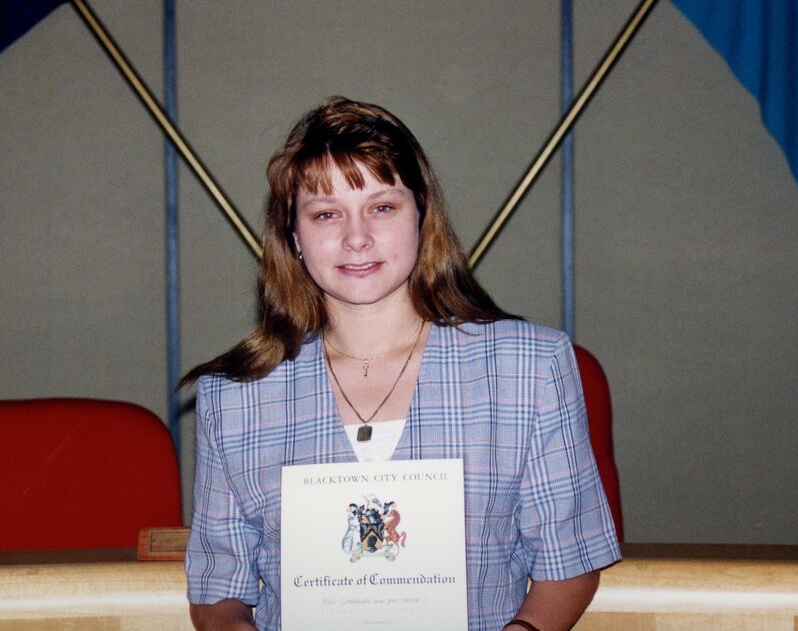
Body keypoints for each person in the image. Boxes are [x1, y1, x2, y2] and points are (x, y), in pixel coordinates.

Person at [183, 96, 621, 631]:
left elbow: (569, 561)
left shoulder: (529, 368)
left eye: (382, 207)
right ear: (294, 237)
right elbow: (216, 590)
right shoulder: (233, 396)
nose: (356, 237)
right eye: (326, 214)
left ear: (422, 216)